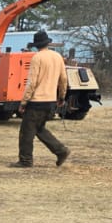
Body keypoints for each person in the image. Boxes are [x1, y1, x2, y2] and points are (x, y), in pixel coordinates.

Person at [12, 30, 70, 168]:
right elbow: (63, 80)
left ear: (36, 45)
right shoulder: (58, 57)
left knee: (26, 131)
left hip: (37, 101)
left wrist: (24, 101)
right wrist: (61, 96)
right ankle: (61, 151)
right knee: (39, 128)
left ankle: (25, 160)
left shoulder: (37, 58)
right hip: (50, 101)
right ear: (47, 43)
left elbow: (32, 82)